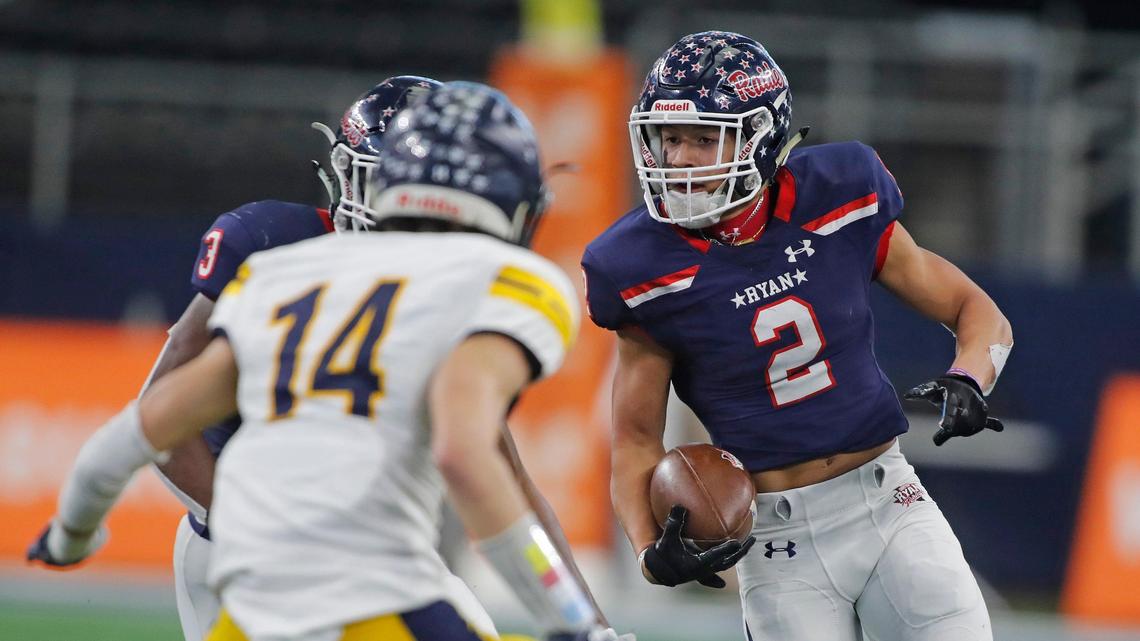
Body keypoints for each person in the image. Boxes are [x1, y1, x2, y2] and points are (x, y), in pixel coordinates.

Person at [29, 81, 632, 641]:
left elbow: (141, 428)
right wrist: (577, 624)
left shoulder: (280, 276)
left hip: (253, 598)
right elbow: (467, 454)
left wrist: (70, 535)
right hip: (366, 589)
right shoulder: (502, 285)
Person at [581, 31, 1013, 641]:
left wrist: (971, 375)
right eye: (670, 138)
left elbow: (973, 307)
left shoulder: (839, 191)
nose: (678, 159)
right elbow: (633, 439)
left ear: (760, 138)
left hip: (888, 500)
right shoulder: (640, 264)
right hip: (773, 537)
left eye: (705, 138)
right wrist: (652, 552)